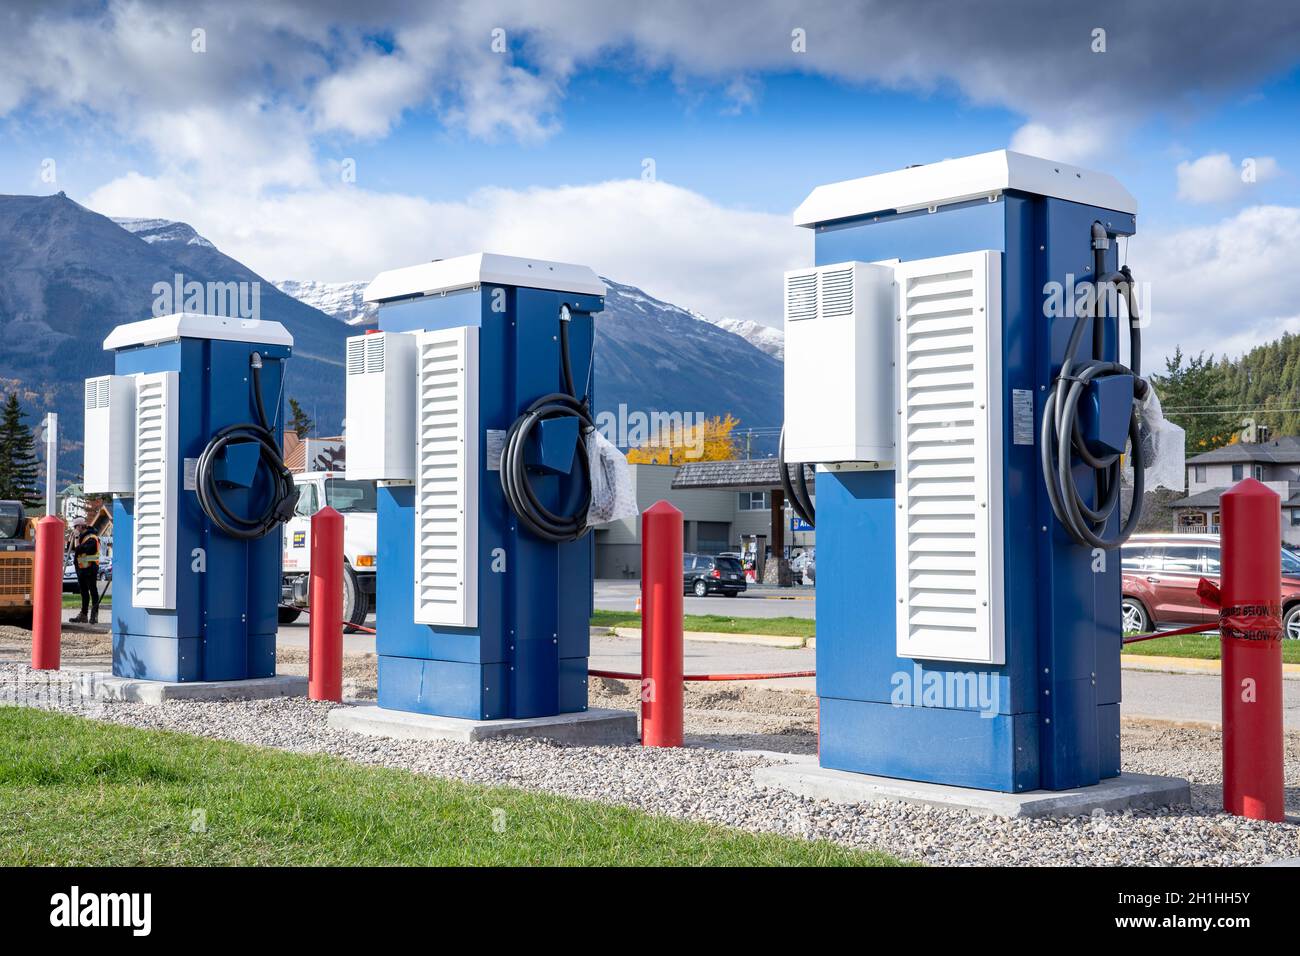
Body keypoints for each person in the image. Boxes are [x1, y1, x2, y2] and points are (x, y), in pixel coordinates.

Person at [70, 519, 101, 625]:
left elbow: (80, 549)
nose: (74, 529)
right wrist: (73, 538)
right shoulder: (81, 538)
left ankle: (94, 615)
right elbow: (72, 548)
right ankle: (83, 615)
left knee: (93, 591)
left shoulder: (92, 538)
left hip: (90, 569)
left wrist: (77, 538)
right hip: (81, 569)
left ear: (81, 526)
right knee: (83, 592)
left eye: (75, 527)